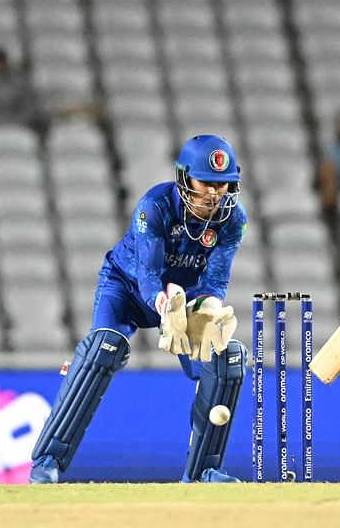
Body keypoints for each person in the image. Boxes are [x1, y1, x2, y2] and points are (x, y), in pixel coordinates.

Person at [29, 134, 248, 484]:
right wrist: (166, 304)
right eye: (206, 183)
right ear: (184, 177)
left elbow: (216, 280)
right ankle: (46, 461)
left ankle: (204, 471)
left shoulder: (233, 220)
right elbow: (148, 275)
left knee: (226, 356)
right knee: (103, 349)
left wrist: (207, 308)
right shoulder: (155, 205)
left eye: (223, 186)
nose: (214, 194)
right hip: (128, 288)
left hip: (184, 300)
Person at [0, 47, 40, 130]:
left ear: (5, 63)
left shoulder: (20, 83)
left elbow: (28, 108)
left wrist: (18, 124)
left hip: (16, 126)